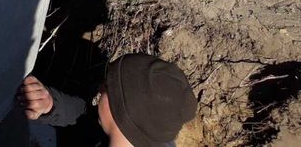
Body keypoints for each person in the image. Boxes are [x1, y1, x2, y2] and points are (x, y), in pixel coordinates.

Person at [18, 53, 197, 147]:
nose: (100, 88)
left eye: (107, 86)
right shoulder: (149, 131)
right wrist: (51, 105)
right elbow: (85, 120)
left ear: (122, 112)